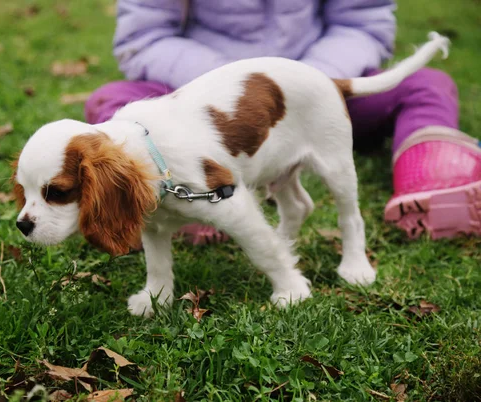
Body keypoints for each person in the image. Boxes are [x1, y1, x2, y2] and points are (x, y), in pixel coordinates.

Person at [85, 0, 481, 243]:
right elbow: (145, 37)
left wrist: (302, 83)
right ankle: (166, 195)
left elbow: (363, 23)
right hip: (198, 109)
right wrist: (230, 84)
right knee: (114, 99)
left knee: (427, 85)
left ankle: (432, 180)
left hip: (316, 90)